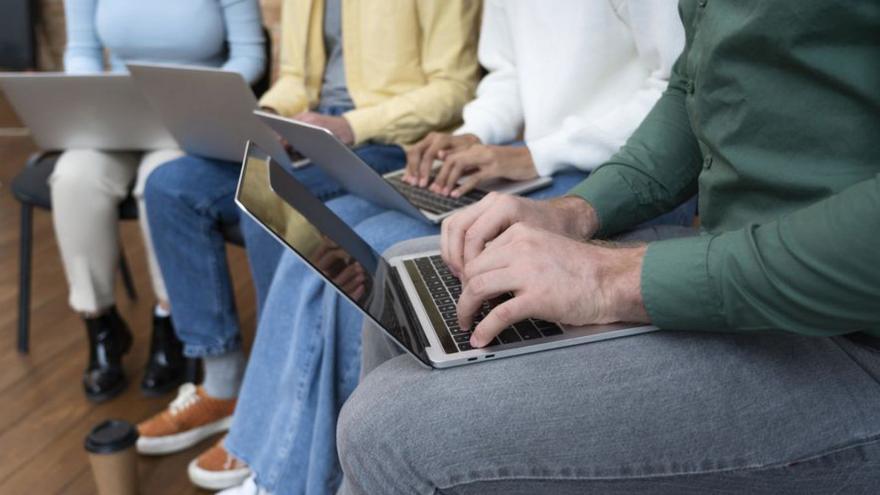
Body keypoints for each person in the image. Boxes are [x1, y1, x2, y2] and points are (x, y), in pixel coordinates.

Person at [335, 0, 880, 493]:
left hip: (851, 336)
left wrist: (606, 278)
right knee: (410, 277)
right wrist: (571, 214)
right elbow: (693, 90)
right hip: (737, 258)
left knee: (390, 431)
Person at [213, 1, 695, 494]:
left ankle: (303, 479)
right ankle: (278, 467)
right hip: (535, 163)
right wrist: (471, 135)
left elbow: (676, 92)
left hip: (612, 174)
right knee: (339, 230)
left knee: (381, 251)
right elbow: (507, 73)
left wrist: (535, 153)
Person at [136, 0, 481, 489]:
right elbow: (296, 75)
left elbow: (453, 89)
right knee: (170, 186)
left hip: (382, 138)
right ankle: (224, 387)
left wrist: (350, 126)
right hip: (307, 131)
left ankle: (276, 405)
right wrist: (271, 114)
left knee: (270, 205)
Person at [51, 0, 265, 402]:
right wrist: (90, 93)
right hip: (112, 114)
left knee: (161, 184)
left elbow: (250, 56)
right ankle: (100, 324)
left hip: (189, 119)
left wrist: (201, 98)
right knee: (72, 180)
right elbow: (81, 49)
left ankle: (170, 319)